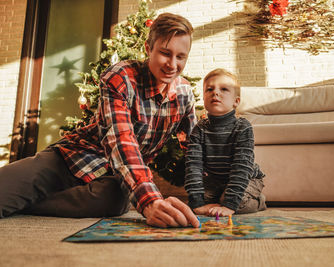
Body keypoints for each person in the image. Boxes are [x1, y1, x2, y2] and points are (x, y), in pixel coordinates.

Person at [0, 13, 200, 228]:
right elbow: (121, 140)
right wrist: (150, 201)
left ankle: (28, 205)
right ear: (148, 49)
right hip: (72, 158)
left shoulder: (184, 93)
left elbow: (193, 146)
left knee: (115, 200)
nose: (172, 64)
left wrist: (207, 196)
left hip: (115, 178)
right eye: (165, 53)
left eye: (181, 57)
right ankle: (23, 197)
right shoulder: (121, 76)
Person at [184, 68, 266, 217]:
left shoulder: (243, 127)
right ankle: (222, 197)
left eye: (223, 89)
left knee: (236, 203)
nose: (215, 92)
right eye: (209, 89)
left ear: (236, 101)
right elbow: (193, 166)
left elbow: (242, 167)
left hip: (247, 178)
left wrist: (229, 205)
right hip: (216, 181)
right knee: (193, 202)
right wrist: (197, 204)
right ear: (204, 98)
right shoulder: (199, 129)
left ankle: (259, 201)